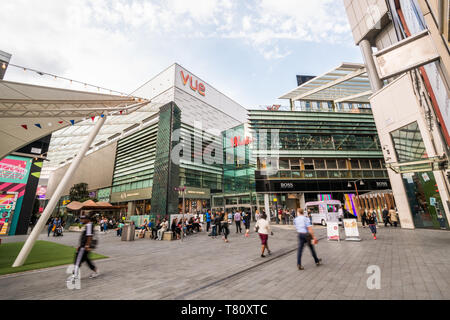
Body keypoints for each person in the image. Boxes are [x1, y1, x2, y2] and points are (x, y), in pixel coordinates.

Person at [70, 214, 99, 282]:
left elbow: (89, 236)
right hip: (84, 246)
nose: (81, 220)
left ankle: (75, 276)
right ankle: (95, 271)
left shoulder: (89, 225)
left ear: (87, 219)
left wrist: (86, 246)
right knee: (86, 260)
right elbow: (87, 236)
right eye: (81, 219)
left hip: (84, 247)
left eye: (83, 219)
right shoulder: (89, 225)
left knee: (77, 260)